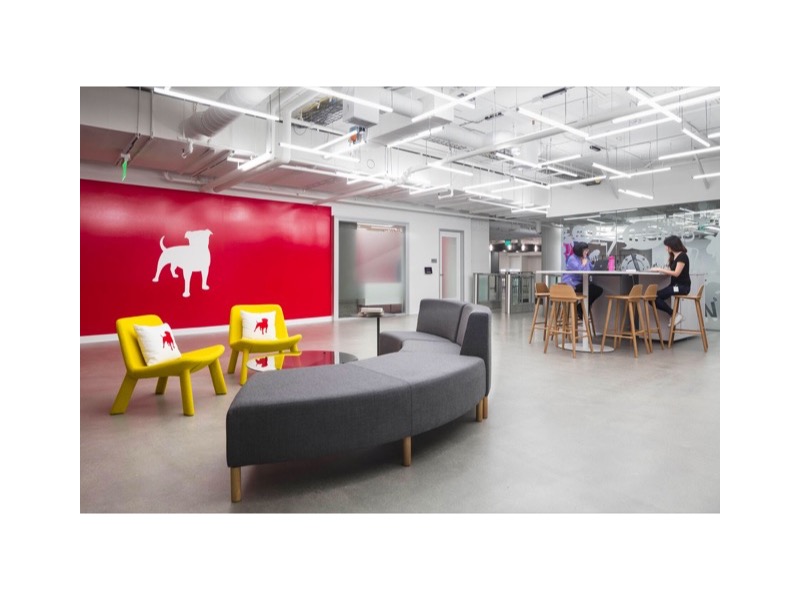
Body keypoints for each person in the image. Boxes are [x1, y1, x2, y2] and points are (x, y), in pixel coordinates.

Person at [650, 235, 691, 325]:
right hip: (674, 286)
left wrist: (659, 269)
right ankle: (674, 314)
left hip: (682, 287)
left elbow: (676, 273)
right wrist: (663, 269)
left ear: (672, 246)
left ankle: (674, 314)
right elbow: (672, 271)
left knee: (654, 297)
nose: (666, 248)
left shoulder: (682, 256)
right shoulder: (674, 257)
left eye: (667, 246)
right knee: (652, 297)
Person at [562, 241, 603, 321]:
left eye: (587, 249)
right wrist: (584, 264)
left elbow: (589, 270)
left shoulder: (585, 259)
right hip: (571, 284)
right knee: (591, 289)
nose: (587, 251)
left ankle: (580, 308)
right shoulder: (572, 259)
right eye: (585, 250)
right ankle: (581, 309)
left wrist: (592, 264)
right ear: (580, 250)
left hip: (581, 283)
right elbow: (580, 272)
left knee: (598, 290)